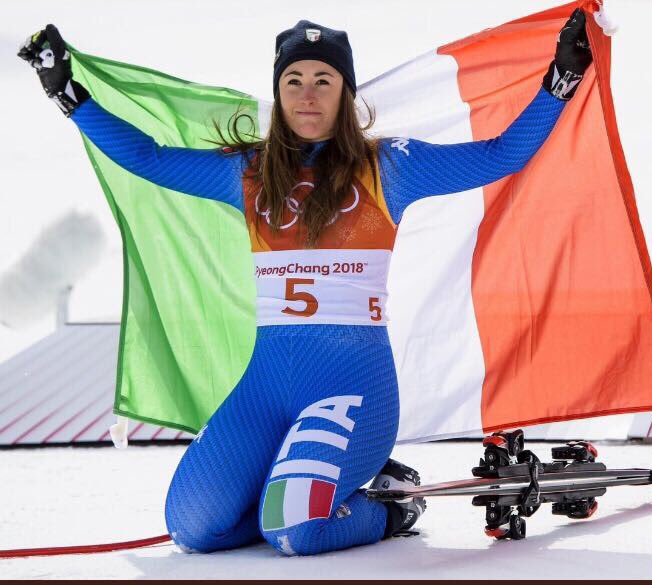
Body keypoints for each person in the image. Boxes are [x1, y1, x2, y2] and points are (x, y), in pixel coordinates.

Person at [18, 11, 592, 556]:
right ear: (279, 93)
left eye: (324, 78)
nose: (308, 93)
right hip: (266, 390)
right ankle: (300, 489)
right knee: (194, 527)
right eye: (293, 80)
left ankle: (391, 507)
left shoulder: (387, 167)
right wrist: (68, 94)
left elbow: (501, 155)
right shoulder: (247, 174)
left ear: (345, 92)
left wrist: (561, 77)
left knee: (293, 528)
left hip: (352, 392)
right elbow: (146, 155)